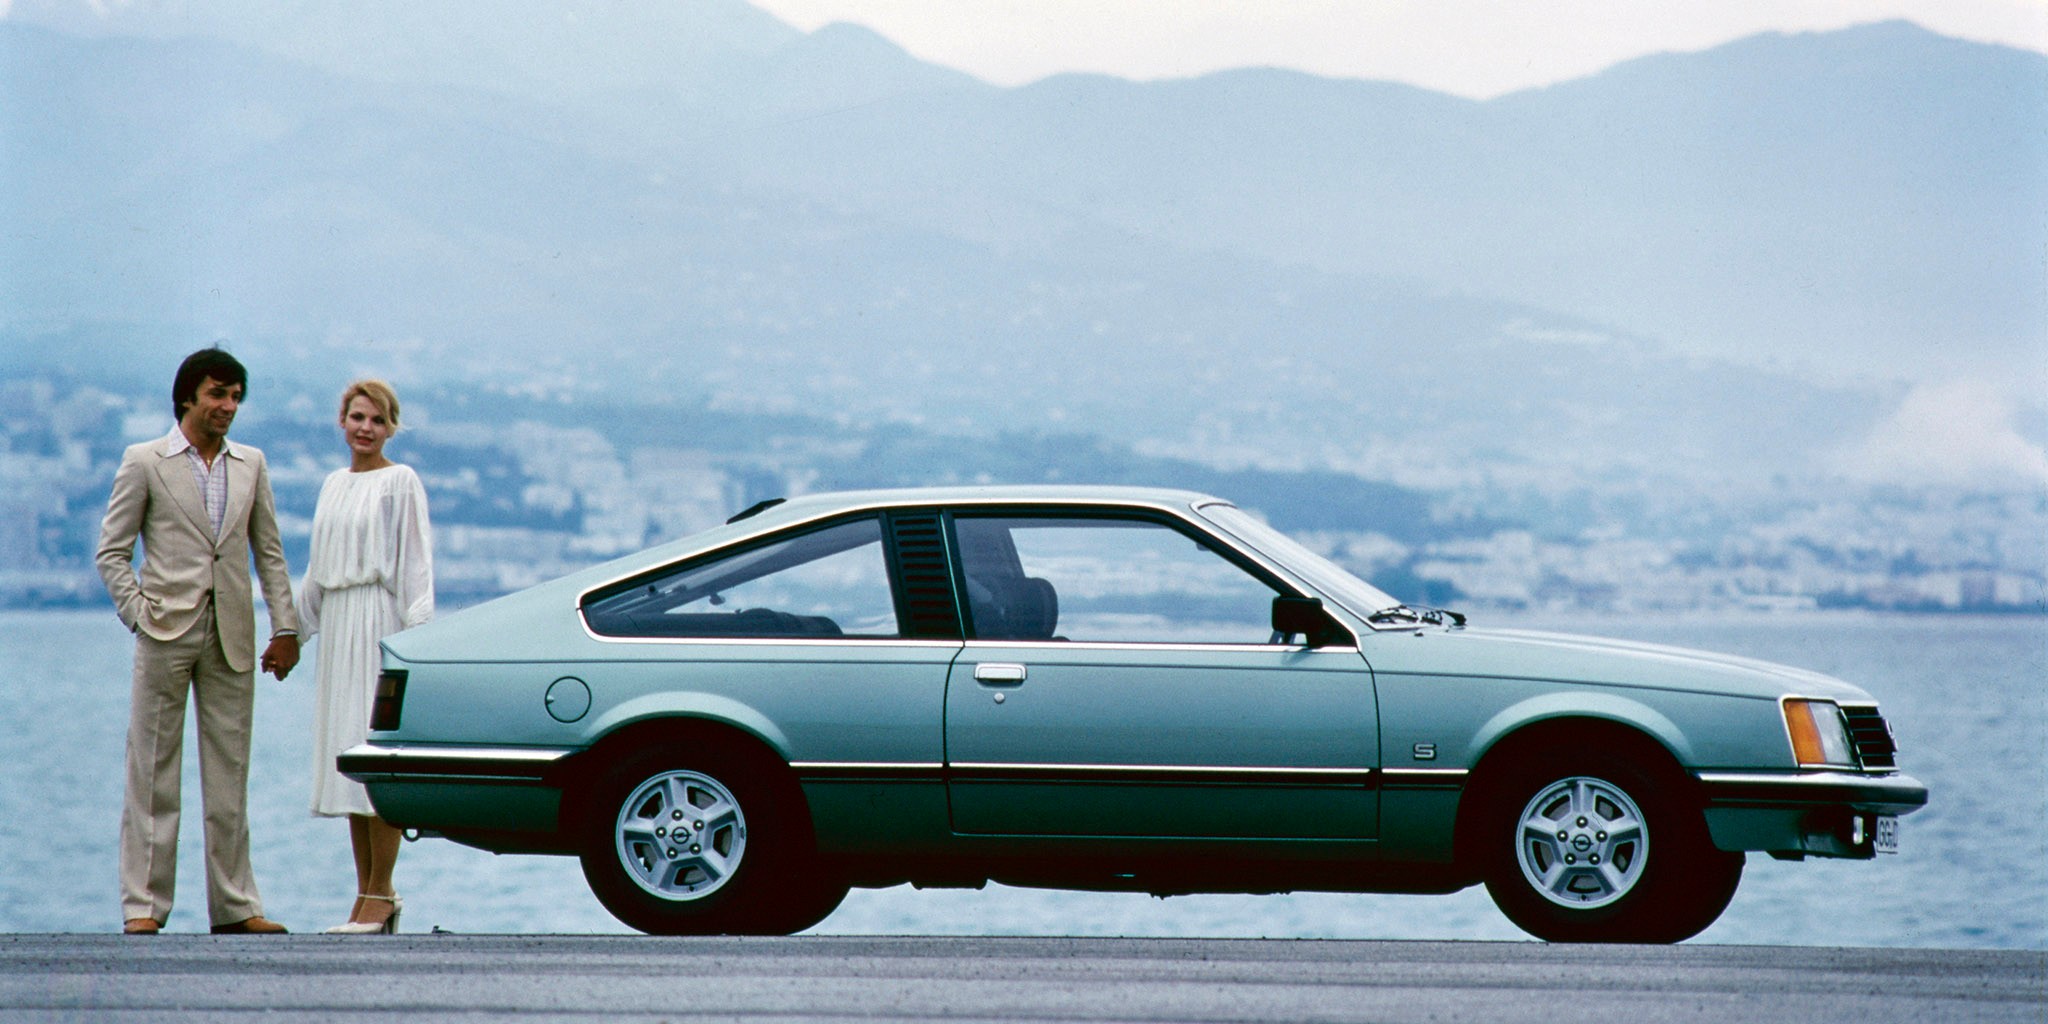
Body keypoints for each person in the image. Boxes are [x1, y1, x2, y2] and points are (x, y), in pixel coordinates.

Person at [96, 346, 300, 935]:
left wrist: (284, 628)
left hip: (233, 634)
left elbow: (270, 554)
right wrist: (139, 614)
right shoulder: (145, 460)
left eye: (235, 396)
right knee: (152, 770)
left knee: (229, 775)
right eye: (217, 394)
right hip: (165, 630)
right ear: (188, 396)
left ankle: (235, 907)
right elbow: (112, 551)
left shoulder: (251, 464)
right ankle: (144, 906)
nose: (228, 406)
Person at [299, 379, 433, 934]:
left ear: (390, 428)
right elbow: (316, 570)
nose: (365, 428)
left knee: (377, 763)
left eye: (377, 420)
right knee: (352, 766)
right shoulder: (332, 484)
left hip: (379, 625)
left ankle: (381, 893)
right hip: (338, 628)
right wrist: (292, 633)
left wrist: (416, 645)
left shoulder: (401, 482)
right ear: (342, 420)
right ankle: (368, 895)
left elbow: (415, 566)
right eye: (357, 417)